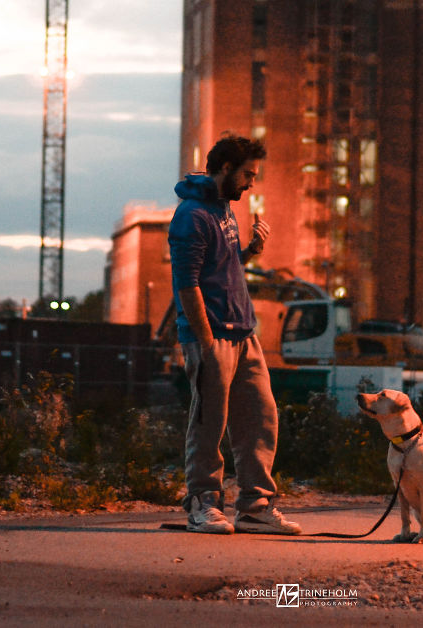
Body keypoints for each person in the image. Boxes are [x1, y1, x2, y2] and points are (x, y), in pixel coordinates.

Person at [168, 133, 302, 536]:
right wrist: (207, 345)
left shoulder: (224, 207)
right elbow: (187, 285)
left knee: (261, 417)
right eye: (247, 174)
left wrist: (250, 253)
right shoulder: (192, 216)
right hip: (212, 337)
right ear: (225, 168)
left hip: (244, 333)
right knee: (209, 424)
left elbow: (221, 269)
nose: (251, 183)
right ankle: (203, 503)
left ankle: (255, 507)